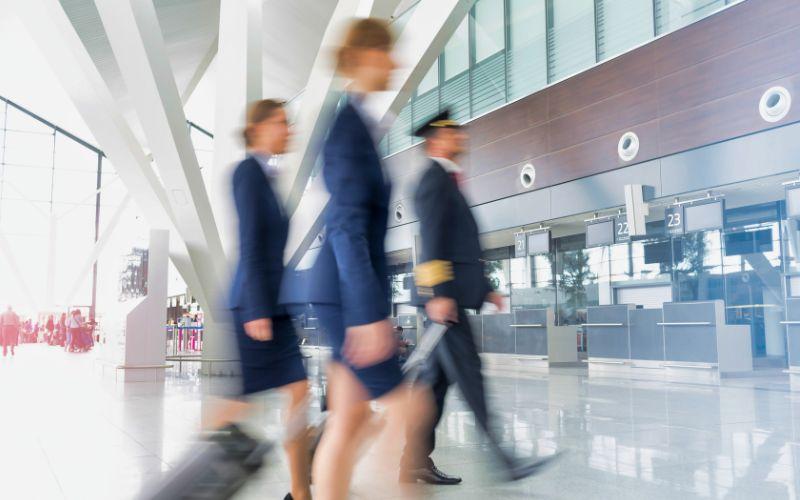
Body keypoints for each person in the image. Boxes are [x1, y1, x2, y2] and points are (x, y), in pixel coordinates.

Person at [400, 110, 562, 484]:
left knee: (434, 386)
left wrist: (485, 287)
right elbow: (432, 242)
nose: (463, 139)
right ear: (437, 139)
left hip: (451, 299)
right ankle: (507, 461)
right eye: (456, 134)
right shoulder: (433, 180)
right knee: (471, 379)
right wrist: (438, 294)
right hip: (446, 304)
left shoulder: (447, 181)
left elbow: (459, 243)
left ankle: (413, 459)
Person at [306, 18, 429, 500]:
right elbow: (346, 228)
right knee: (407, 410)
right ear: (364, 57)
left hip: (338, 291)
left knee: (349, 418)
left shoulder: (354, 122)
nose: (395, 62)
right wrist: (368, 315)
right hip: (345, 295)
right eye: (388, 53)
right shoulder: (347, 128)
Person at [222, 98, 311, 500]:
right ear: (257, 128)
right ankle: (192, 482)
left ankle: (299, 492)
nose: (288, 129)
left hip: (274, 305)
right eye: (281, 122)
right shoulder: (247, 172)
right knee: (240, 407)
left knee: (298, 392)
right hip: (255, 306)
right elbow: (250, 243)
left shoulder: (267, 175)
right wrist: (257, 307)